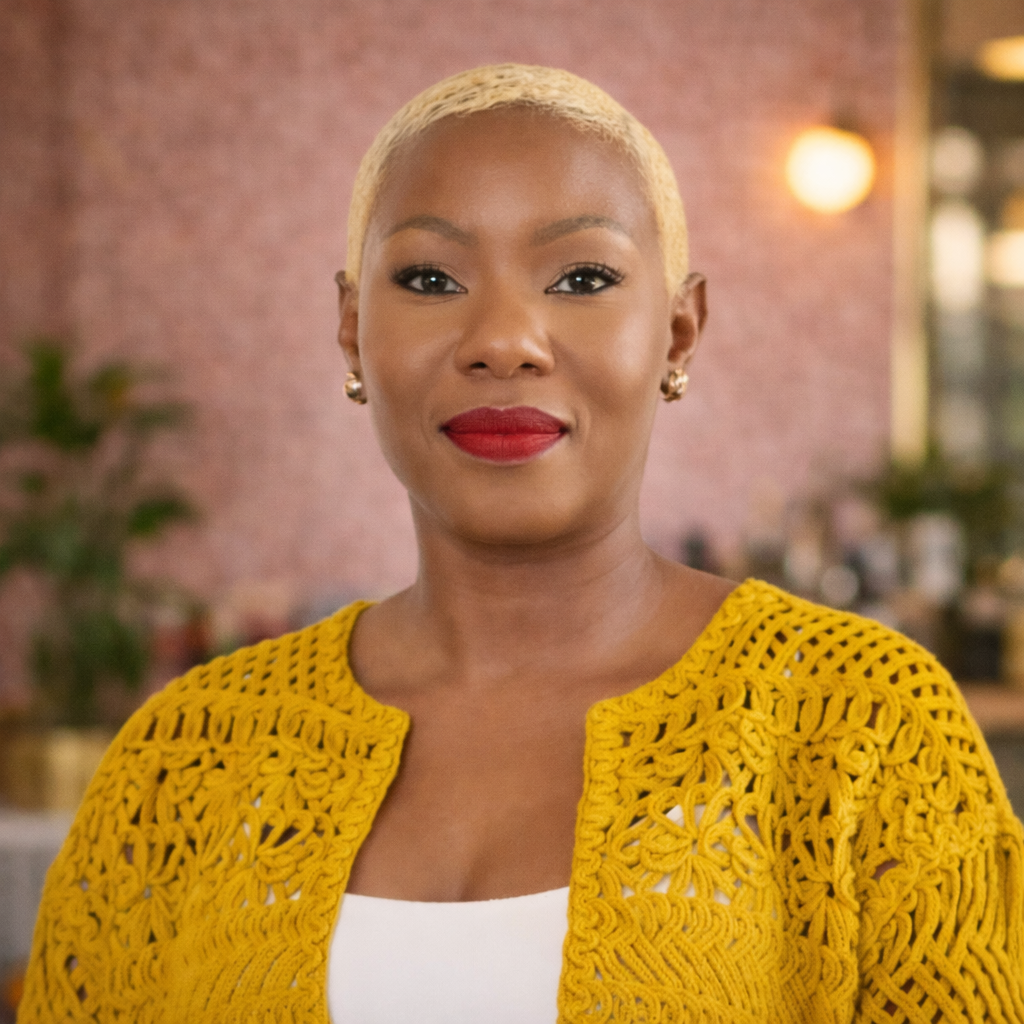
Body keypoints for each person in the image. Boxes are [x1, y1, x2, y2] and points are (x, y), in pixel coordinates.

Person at [18, 64, 1024, 1024]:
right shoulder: (183, 760)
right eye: (428, 277)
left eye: (582, 276)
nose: (505, 337)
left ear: (677, 332)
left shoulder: (863, 728)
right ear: (349, 328)